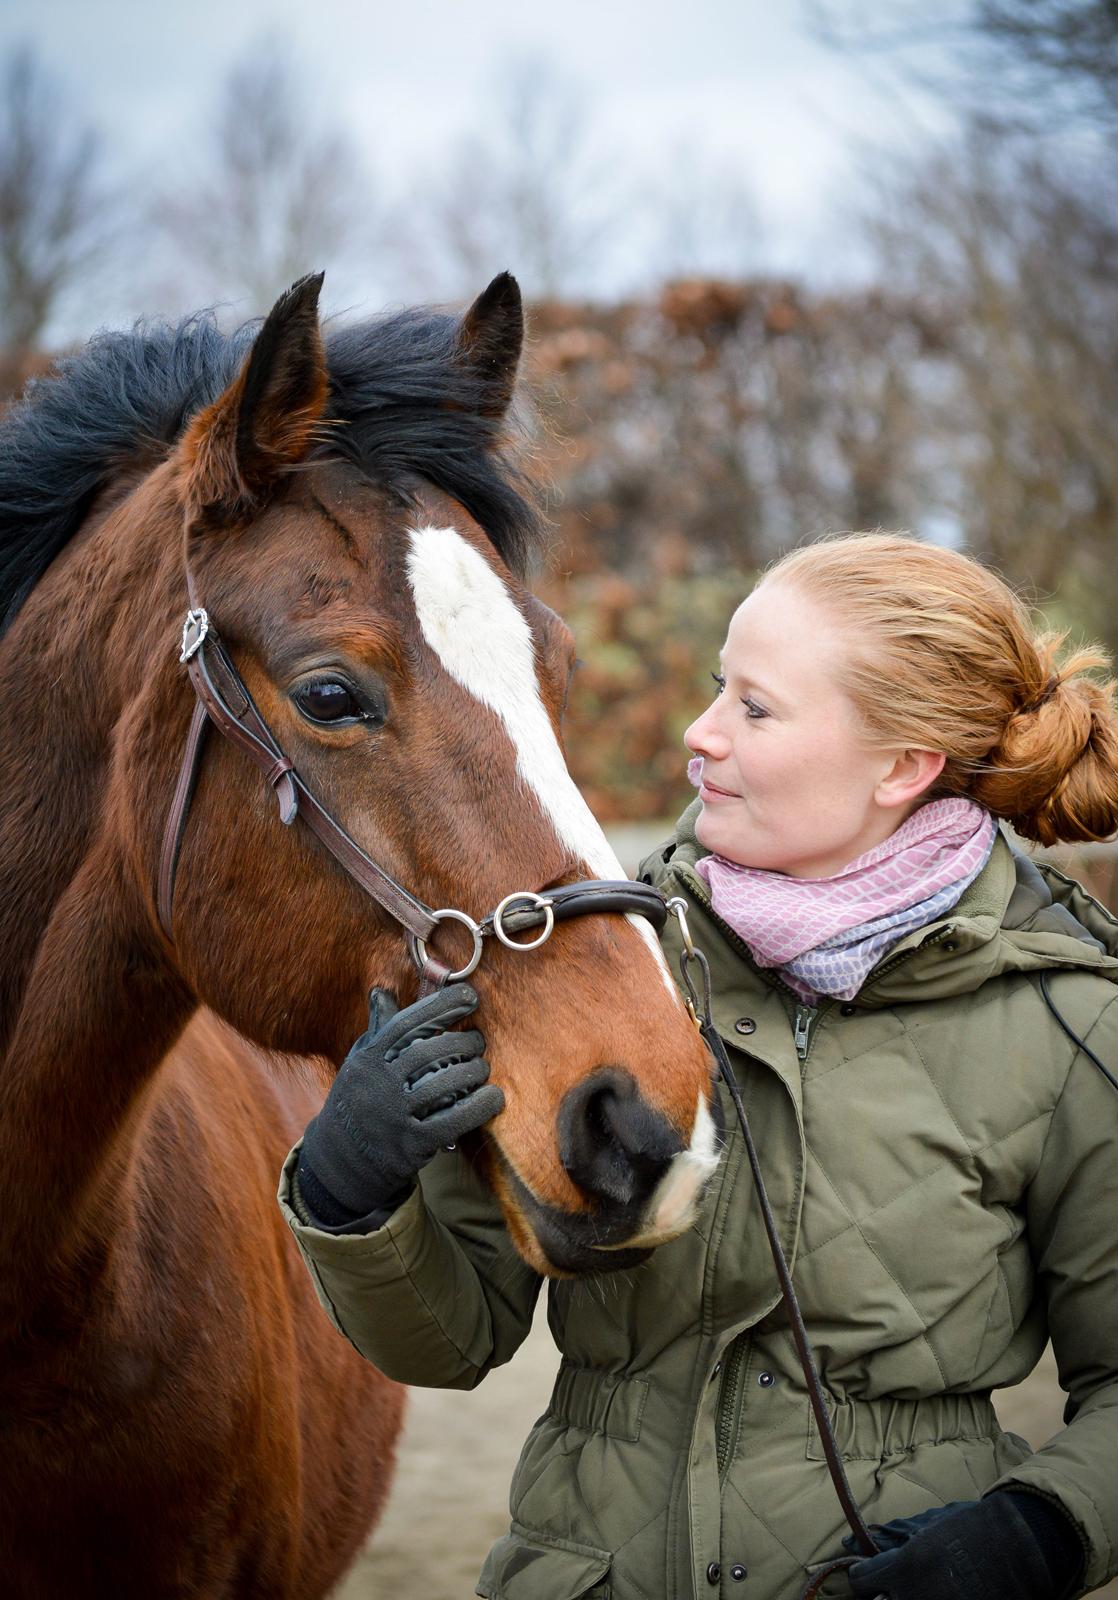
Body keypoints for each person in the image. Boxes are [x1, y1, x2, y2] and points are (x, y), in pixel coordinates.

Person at [278, 532, 1118, 1600]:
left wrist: (1031, 1536)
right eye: (719, 688)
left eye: (753, 709)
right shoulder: (595, 970)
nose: (698, 732)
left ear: (900, 764)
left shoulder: (1070, 1024)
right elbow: (451, 1342)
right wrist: (353, 1195)